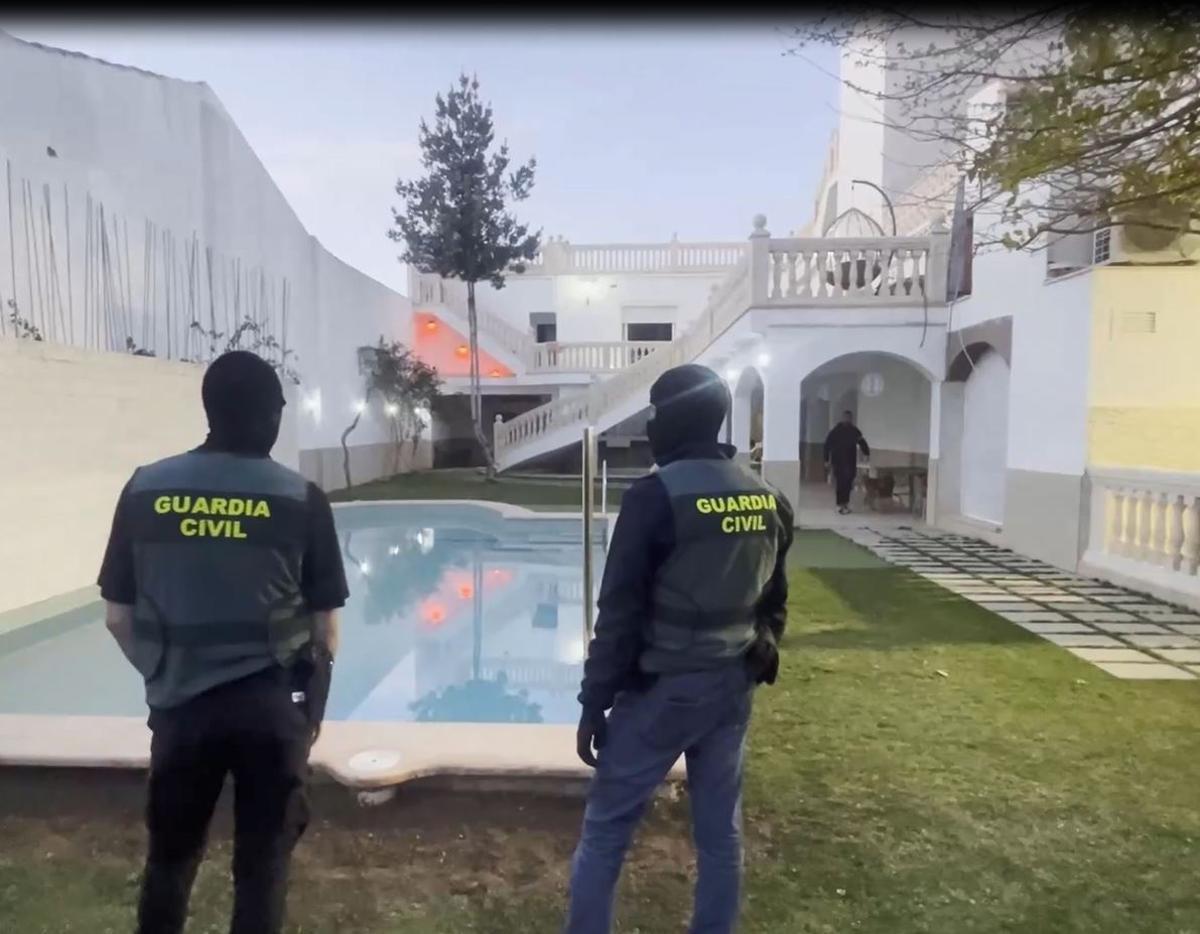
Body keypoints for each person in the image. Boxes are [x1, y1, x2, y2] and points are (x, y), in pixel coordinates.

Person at [97, 350, 348, 934]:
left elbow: (116, 617)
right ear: (270, 415)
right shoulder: (299, 498)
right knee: (261, 868)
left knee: (170, 861)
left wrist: (164, 674)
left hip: (182, 709)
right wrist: (311, 711)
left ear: (211, 409)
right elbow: (325, 628)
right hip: (270, 712)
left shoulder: (145, 489)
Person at [564, 363, 794, 934]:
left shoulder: (654, 498)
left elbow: (618, 615)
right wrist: (761, 647)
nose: (649, 426)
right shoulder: (768, 499)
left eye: (656, 413)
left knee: (607, 828)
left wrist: (595, 704)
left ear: (673, 419)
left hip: (661, 694)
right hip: (730, 690)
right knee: (720, 834)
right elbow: (775, 601)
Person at [823, 410, 870, 515]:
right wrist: (826, 459)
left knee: (849, 482)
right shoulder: (836, 431)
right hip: (838, 461)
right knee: (840, 482)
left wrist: (866, 452)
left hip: (850, 460)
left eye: (849, 417)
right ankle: (839, 504)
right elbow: (827, 445)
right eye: (845, 417)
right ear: (842, 418)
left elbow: (862, 442)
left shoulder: (854, 431)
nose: (847, 419)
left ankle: (846, 503)